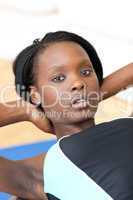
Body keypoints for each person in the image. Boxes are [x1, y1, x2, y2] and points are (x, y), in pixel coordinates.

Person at [0, 31, 133, 200]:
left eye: (86, 72)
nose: (78, 83)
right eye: (59, 78)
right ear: (35, 94)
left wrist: (96, 92)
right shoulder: (41, 172)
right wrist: (26, 109)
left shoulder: (127, 122)